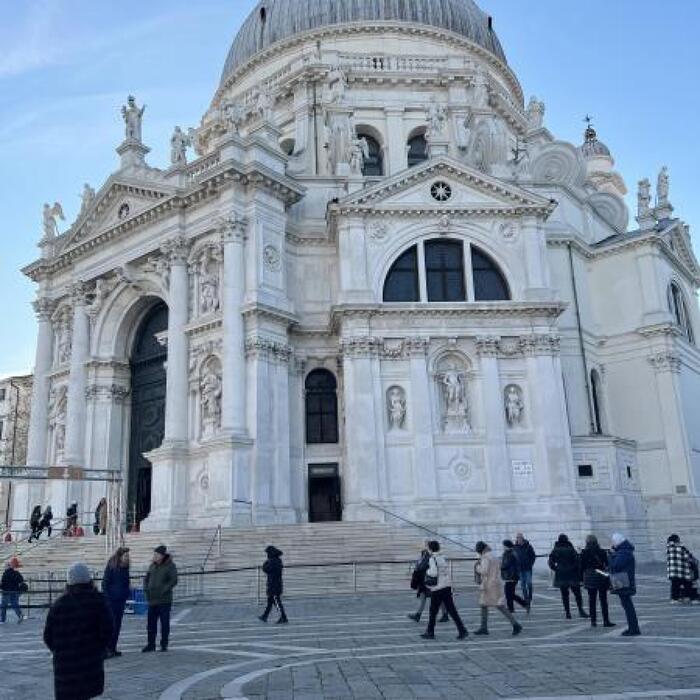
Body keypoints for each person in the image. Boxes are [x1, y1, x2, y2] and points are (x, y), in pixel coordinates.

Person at [43, 562, 113, 700]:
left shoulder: (58, 605)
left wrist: (59, 651)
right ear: (89, 580)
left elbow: (47, 636)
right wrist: (99, 649)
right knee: (87, 694)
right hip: (90, 662)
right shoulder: (98, 601)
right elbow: (108, 629)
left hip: (65, 666)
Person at [420, 541, 467, 640]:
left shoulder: (432, 559)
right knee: (452, 610)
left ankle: (430, 632)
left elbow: (433, 573)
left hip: (438, 588)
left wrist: (427, 571)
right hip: (446, 586)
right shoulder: (442, 557)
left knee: (433, 611)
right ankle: (462, 630)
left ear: (430, 549)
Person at [473, 541, 522, 636]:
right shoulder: (493, 555)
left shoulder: (486, 558)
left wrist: (477, 567)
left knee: (499, 605)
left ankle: (515, 625)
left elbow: (484, 571)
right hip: (496, 583)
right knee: (484, 604)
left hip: (489, 585)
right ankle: (484, 627)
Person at [142, 545, 178, 652]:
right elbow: (146, 578)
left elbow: (174, 580)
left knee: (164, 623)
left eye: (157, 554)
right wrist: (146, 589)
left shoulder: (170, 566)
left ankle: (164, 644)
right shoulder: (152, 565)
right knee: (151, 623)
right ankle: (151, 644)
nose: (155, 556)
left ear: (162, 556)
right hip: (152, 599)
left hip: (164, 600)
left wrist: (164, 589)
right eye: (154, 554)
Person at [548, 534, 589, 619]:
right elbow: (577, 561)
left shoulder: (556, 549)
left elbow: (550, 562)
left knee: (564, 595)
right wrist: (575, 569)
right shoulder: (570, 548)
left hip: (561, 575)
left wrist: (556, 569)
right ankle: (581, 610)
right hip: (572, 574)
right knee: (577, 594)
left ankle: (568, 613)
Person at [609, 533, 641, 636]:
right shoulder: (625, 551)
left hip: (623, 581)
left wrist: (611, 556)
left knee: (628, 606)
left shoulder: (624, 552)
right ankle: (633, 627)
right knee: (627, 605)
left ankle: (633, 629)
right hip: (624, 580)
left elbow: (616, 565)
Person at [580, 534, 615, 628]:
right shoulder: (602, 552)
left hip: (589, 578)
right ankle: (606, 621)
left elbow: (581, 567)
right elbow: (607, 565)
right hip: (600, 577)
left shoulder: (584, 553)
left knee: (592, 600)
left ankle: (593, 621)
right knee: (603, 600)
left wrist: (581, 579)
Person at [408, 541, 447, 623]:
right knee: (430, 597)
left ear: (429, 547)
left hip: (427, 580)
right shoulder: (427, 555)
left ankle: (419, 616)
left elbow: (423, 567)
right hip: (428, 580)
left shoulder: (430, 556)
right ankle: (444, 614)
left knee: (435, 598)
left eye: (426, 545)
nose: (425, 546)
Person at [102, 547, 131, 657]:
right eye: (126, 555)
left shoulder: (125, 567)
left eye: (128, 556)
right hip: (111, 601)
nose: (127, 557)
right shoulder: (111, 566)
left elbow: (126, 582)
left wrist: (126, 593)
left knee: (117, 625)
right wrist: (108, 598)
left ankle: (113, 648)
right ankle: (107, 649)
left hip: (121, 601)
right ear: (120, 556)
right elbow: (105, 583)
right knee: (110, 625)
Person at [259, 545, 288, 624]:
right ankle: (264, 616)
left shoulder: (273, 561)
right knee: (270, 602)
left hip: (274, 586)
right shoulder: (277, 560)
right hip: (275, 585)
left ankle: (283, 617)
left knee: (277, 602)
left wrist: (265, 562)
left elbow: (266, 569)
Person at [666, 534, 698, 603]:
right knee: (688, 585)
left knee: (675, 586)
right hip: (683, 572)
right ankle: (691, 598)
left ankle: (674, 599)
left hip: (672, 573)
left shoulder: (668, 549)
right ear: (677, 540)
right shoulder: (681, 547)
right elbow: (689, 557)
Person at [501, 539, 529, 614]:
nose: (503, 547)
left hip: (511, 576)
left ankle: (513, 608)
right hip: (511, 576)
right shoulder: (509, 553)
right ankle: (523, 604)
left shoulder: (510, 554)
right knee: (510, 593)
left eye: (504, 546)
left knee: (508, 593)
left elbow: (506, 565)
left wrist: (498, 566)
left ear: (507, 546)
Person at [0, 557, 26, 624]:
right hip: (15, 591)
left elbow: (3, 584)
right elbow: (21, 581)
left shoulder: (5, 574)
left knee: (3, 606)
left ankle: (2, 620)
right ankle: (20, 615)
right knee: (15, 605)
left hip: (6, 592)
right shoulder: (17, 573)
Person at [513, 532, 536, 603]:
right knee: (522, 584)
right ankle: (526, 598)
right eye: (517, 537)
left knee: (529, 583)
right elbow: (513, 558)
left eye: (519, 537)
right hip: (519, 569)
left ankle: (530, 596)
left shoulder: (528, 546)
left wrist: (530, 564)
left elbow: (533, 556)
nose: (518, 539)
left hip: (527, 568)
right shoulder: (514, 547)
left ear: (522, 538)